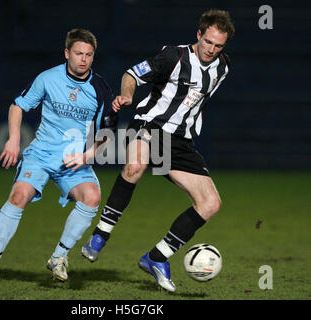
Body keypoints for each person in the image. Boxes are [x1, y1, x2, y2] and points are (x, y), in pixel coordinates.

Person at [82, 9, 234, 292]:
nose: (211, 50)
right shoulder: (172, 57)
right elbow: (132, 74)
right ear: (198, 35)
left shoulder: (222, 68)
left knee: (211, 203)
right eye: (208, 42)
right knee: (135, 165)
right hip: (150, 125)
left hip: (179, 142)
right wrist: (127, 94)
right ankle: (100, 235)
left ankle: (157, 258)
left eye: (218, 45)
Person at [0, 29, 117, 288]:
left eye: (88, 55)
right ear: (67, 53)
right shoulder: (47, 78)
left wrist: (89, 154)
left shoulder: (100, 87)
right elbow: (17, 106)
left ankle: (59, 257)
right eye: (78, 53)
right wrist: (14, 139)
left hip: (74, 159)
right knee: (19, 195)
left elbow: (107, 131)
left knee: (92, 196)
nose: (83, 59)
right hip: (41, 154)